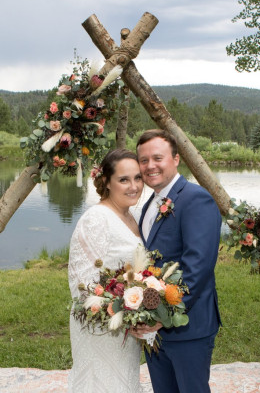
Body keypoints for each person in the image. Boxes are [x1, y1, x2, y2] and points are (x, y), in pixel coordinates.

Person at [134, 129, 222, 393]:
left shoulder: (197, 199)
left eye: (157, 158)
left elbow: (198, 266)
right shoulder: (150, 202)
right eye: (144, 160)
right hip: (155, 328)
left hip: (188, 328)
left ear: (176, 158)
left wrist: (165, 314)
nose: (150, 166)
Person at [68, 148, 144, 393]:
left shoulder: (132, 215)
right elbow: (82, 280)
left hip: (127, 322)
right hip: (101, 328)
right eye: (123, 179)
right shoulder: (97, 218)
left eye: (138, 177)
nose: (133, 186)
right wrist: (120, 309)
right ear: (107, 182)